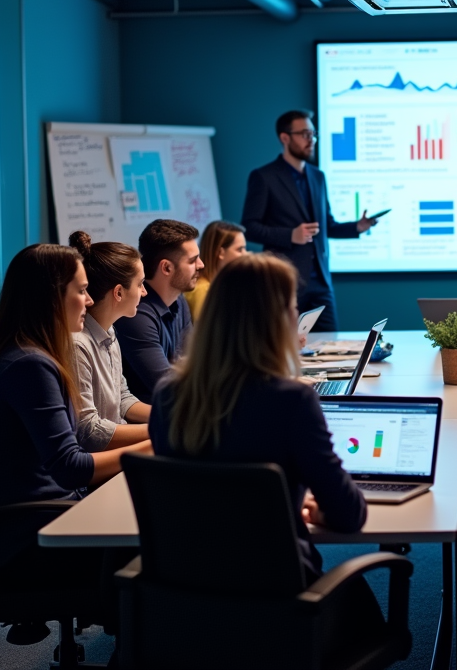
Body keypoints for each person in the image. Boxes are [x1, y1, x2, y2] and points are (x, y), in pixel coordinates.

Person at [148, 254, 386, 657]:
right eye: (293, 308)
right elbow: (349, 515)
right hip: (283, 605)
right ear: (275, 320)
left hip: (185, 602)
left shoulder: (168, 396)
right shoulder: (291, 400)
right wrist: (306, 506)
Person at [0, 243, 150, 629]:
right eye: (80, 291)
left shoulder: (27, 354)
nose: (88, 299)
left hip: (52, 520)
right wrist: (157, 443)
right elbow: (71, 468)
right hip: (34, 541)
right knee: (165, 545)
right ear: (51, 297)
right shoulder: (31, 365)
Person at [240, 110, 379, 332]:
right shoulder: (263, 177)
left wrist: (357, 227)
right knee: (285, 349)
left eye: (313, 134)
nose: (311, 140)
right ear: (285, 138)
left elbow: (327, 226)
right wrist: (290, 235)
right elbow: (250, 228)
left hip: (321, 283)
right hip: (285, 282)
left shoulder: (318, 176)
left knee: (331, 347)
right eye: (304, 134)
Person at [68, 231, 152, 451]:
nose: (144, 292)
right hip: (96, 464)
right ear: (118, 293)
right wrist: (161, 429)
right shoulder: (78, 345)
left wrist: (168, 418)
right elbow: (89, 431)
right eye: (140, 283)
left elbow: (121, 397)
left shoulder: (109, 331)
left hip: (113, 451)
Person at [116, 219, 203, 403]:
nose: (201, 265)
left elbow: (192, 364)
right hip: (149, 420)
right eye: (193, 260)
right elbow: (167, 386)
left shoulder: (179, 300)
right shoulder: (136, 314)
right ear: (166, 267)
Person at [185, 220, 247, 320]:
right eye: (240, 250)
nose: (246, 254)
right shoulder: (203, 291)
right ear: (220, 252)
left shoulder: (221, 286)